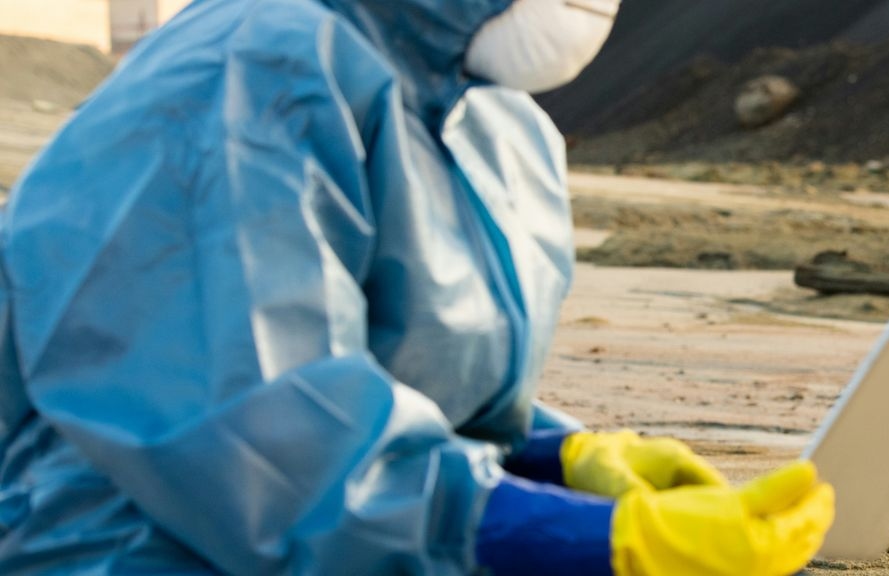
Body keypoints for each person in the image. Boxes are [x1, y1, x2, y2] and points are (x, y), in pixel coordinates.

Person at [0, 0, 833, 574]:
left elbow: (409, 373)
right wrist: (574, 537)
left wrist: (559, 459)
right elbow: (257, 441)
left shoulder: (495, 124)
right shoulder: (243, 76)